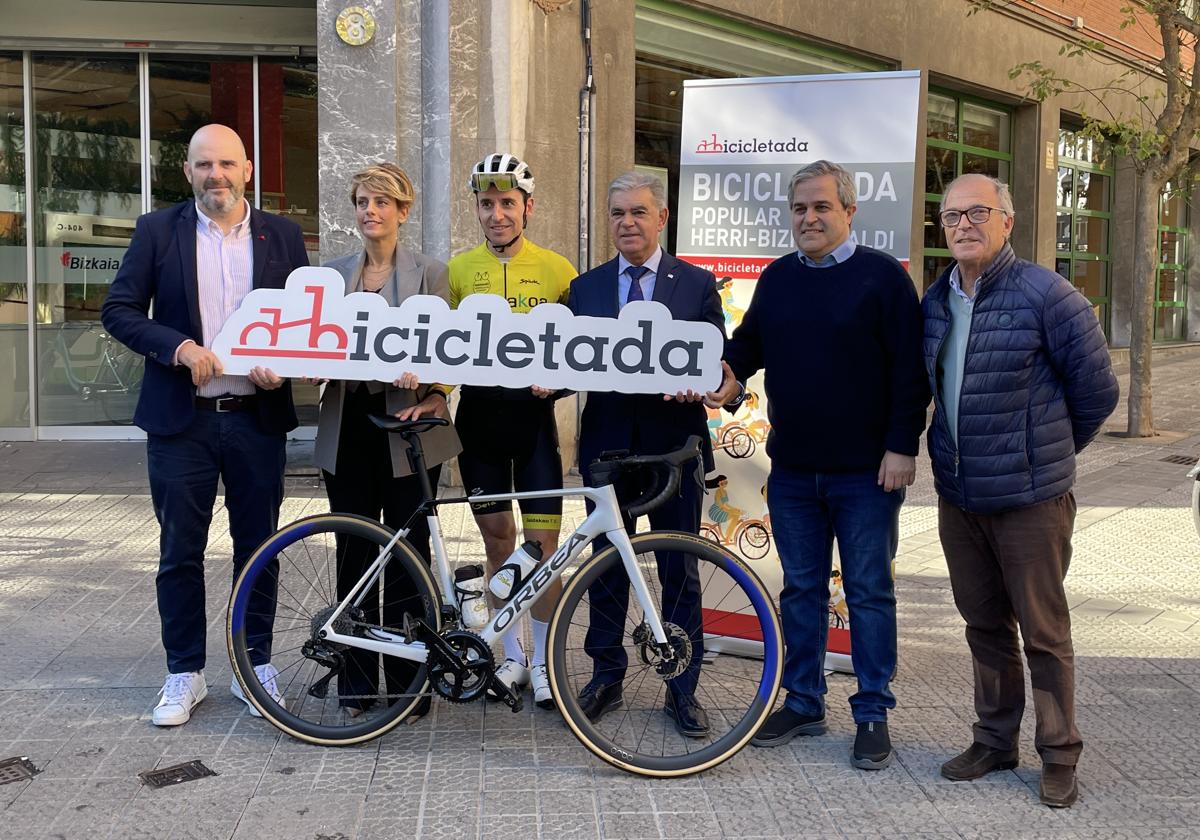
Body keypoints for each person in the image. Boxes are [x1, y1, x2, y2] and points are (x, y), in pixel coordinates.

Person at [708, 159, 929, 768]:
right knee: (802, 588)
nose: (809, 217)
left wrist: (901, 446)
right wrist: (725, 377)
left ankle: (873, 712)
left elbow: (911, 373)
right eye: (800, 208)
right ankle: (804, 701)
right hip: (796, 471)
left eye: (822, 207)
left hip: (867, 473)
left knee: (868, 591)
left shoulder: (883, 279)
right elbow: (748, 344)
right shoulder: (778, 278)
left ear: (850, 212)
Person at [101, 123, 309, 726]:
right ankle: (184, 673)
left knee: (260, 550)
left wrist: (284, 366)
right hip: (181, 422)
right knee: (179, 551)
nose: (215, 175)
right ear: (187, 172)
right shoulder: (156, 231)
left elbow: (298, 322)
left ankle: (255, 665)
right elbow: (118, 310)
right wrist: (179, 348)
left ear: (247, 170)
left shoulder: (284, 236)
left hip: (255, 419)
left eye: (225, 164)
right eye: (202, 165)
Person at [922, 173, 1118, 807]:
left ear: (1007, 220)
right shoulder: (936, 299)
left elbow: (1096, 393)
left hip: (1031, 499)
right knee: (983, 623)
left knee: (1043, 630)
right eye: (951, 217)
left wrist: (1045, 456)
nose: (963, 226)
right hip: (960, 496)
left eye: (978, 213)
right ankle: (995, 739)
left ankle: (1059, 752)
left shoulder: (1047, 294)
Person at [569, 171, 725, 738]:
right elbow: (569, 362)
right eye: (617, 214)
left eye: (638, 212)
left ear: (661, 218)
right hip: (607, 445)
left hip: (674, 448)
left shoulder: (697, 284)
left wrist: (701, 380)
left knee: (678, 566)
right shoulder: (584, 288)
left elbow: (714, 360)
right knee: (608, 563)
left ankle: (682, 687)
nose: (627, 223)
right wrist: (543, 380)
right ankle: (605, 674)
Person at [313, 163, 462, 718]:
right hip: (349, 421)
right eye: (361, 201)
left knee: (407, 553)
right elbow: (314, 343)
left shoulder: (432, 274)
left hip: (409, 424)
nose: (370, 210)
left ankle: (407, 683)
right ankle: (355, 683)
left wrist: (431, 382)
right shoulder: (331, 275)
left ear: (403, 211)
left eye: (382, 201)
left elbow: (451, 348)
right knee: (354, 550)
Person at [446, 153, 576, 709]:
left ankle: (545, 662)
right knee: (498, 543)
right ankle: (511, 659)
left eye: (507, 204)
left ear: (528, 207)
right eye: (486, 204)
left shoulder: (558, 269)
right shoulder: (456, 270)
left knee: (542, 550)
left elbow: (581, 355)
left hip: (534, 430)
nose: (496, 214)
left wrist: (560, 386)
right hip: (477, 425)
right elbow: (440, 348)